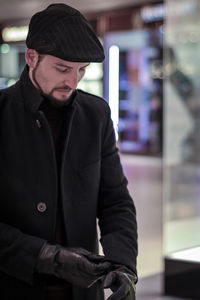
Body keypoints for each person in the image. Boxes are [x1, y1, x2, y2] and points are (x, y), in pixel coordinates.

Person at [0, 3, 138, 300]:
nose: (73, 82)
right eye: (62, 69)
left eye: (81, 71)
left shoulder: (96, 114)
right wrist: (45, 257)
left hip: (82, 292)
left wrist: (124, 265)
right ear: (31, 57)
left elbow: (115, 201)